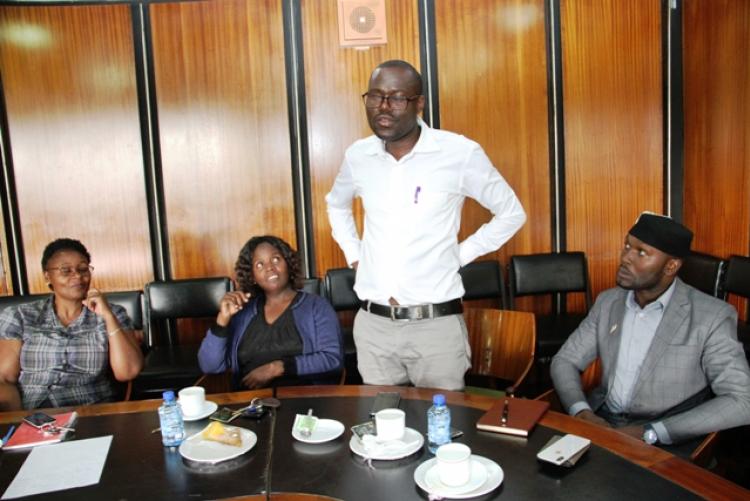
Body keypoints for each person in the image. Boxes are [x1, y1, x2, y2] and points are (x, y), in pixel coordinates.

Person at [325, 59, 526, 390]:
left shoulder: (459, 153)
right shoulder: (358, 156)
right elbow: (336, 203)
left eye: (397, 97)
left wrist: (458, 255)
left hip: (435, 328)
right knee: (381, 432)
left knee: (442, 432)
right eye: (375, 96)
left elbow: (511, 212)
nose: (384, 107)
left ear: (419, 103)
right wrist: (355, 254)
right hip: (374, 327)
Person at [551, 213, 750, 447]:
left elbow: (741, 401)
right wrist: (581, 412)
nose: (625, 258)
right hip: (601, 423)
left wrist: (650, 433)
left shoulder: (712, 316)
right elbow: (565, 360)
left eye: (641, 252)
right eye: (627, 246)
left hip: (666, 436)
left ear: (671, 266)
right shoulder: (608, 302)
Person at [0, 238, 144, 410]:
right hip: (35, 414)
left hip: (90, 411)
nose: (77, 276)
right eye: (66, 271)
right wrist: (16, 423)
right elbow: (4, 378)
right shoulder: (20, 316)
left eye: (83, 269)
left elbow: (127, 372)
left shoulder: (114, 313)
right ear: (48, 276)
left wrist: (108, 316)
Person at [198, 236, 343, 389]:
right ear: (252, 276)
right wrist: (222, 320)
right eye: (259, 264)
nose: (269, 268)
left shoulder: (317, 306)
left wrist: (276, 368)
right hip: (250, 404)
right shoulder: (241, 312)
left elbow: (333, 359)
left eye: (275, 259)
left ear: (288, 263)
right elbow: (210, 366)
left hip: (304, 400)